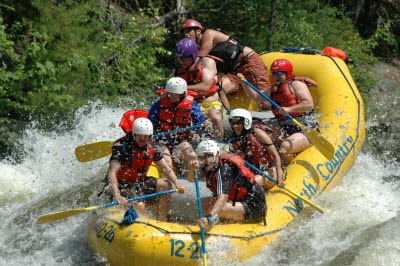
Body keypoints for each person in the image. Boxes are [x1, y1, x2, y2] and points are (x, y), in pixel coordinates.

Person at [239, 59, 319, 164]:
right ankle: (269, 164)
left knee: (285, 147)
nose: (276, 76)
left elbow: (308, 104)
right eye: (274, 73)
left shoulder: (296, 84)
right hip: (285, 128)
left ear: (288, 73)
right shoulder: (274, 89)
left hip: (305, 127)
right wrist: (243, 82)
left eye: (280, 73)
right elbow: (255, 96)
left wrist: (290, 109)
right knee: (259, 136)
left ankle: (290, 168)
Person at [107, 117, 185, 221]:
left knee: (167, 186)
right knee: (140, 205)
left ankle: (162, 218)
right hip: (123, 184)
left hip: (140, 181)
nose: (143, 138)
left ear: (150, 136)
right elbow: (112, 172)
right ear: (134, 134)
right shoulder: (122, 147)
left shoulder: (151, 148)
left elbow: (166, 169)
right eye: (139, 134)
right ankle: (141, 224)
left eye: (146, 135)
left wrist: (177, 184)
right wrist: (117, 195)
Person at [181, 19, 270, 109]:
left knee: (266, 102)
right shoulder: (196, 48)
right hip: (234, 71)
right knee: (219, 88)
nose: (186, 34)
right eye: (184, 32)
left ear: (198, 31)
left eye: (189, 31)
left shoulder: (208, 34)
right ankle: (228, 114)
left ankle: (282, 100)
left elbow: (198, 59)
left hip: (249, 62)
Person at [189, 140, 267, 229]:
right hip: (238, 202)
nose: (203, 160)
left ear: (216, 155)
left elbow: (222, 198)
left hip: (254, 207)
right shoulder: (210, 165)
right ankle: (207, 224)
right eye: (201, 157)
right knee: (202, 203)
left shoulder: (224, 171)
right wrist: (192, 169)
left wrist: (208, 217)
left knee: (212, 208)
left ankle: (210, 224)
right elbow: (191, 179)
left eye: (206, 156)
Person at [148, 77, 204, 178]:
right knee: (167, 164)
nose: (170, 96)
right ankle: (167, 190)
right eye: (169, 93)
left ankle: (191, 178)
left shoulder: (191, 104)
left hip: (180, 141)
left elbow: (200, 121)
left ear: (182, 93)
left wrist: (194, 131)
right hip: (162, 140)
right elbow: (150, 120)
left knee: (192, 156)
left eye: (174, 93)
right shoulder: (160, 103)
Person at [173, 38, 225, 140]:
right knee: (187, 125)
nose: (182, 62)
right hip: (190, 106)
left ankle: (218, 147)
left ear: (194, 55)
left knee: (216, 119)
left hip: (210, 104)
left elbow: (205, 87)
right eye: (179, 59)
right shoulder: (176, 72)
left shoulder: (207, 63)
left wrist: (181, 88)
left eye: (185, 58)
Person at [228, 108, 284, 189]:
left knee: (253, 181)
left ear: (246, 122)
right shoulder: (233, 142)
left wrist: (279, 179)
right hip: (254, 174)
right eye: (233, 123)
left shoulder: (257, 133)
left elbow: (276, 156)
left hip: (272, 170)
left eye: (238, 123)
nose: (235, 126)